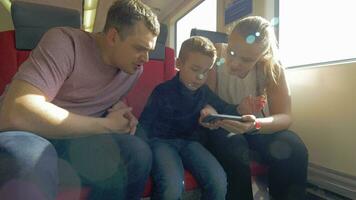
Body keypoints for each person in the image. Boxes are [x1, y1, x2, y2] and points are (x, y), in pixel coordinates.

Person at [0, 0, 159, 199]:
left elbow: (104, 97)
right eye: (139, 48)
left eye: (149, 51)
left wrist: (122, 115)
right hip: (24, 135)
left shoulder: (133, 71)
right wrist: (107, 126)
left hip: (73, 142)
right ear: (113, 36)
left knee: (136, 152)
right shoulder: (64, 43)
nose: (146, 58)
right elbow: (17, 113)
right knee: (29, 158)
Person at [199, 16, 309, 200]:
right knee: (234, 147)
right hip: (222, 127)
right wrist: (209, 113)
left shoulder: (272, 67)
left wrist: (255, 124)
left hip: (255, 128)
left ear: (262, 55)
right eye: (232, 53)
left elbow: (285, 116)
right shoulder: (216, 53)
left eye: (246, 59)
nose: (234, 64)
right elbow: (206, 99)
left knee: (294, 147)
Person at [139, 36, 244, 200]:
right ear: (179, 64)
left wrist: (241, 109)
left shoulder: (204, 92)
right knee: (172, 186)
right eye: (195, 69)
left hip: (191, 143)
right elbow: (145, 123)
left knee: (218, 180)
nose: (200, 77)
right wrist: (142, 151)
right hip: (161, 143)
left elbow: (225, 109)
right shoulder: (162, 91)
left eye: (205, 71)